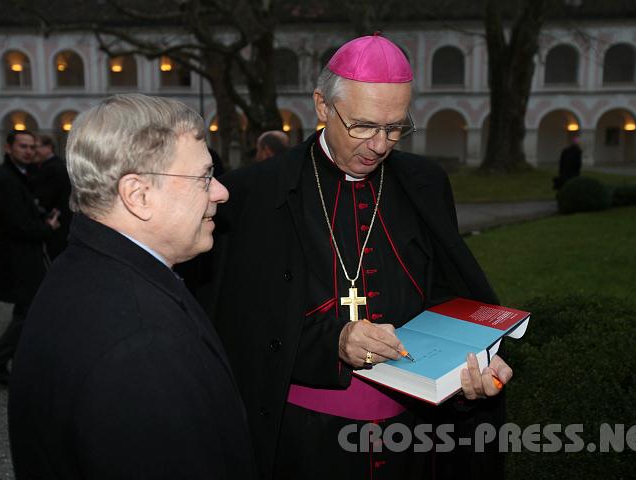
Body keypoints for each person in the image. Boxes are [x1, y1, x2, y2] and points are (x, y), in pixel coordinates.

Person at [205, 34, 512, 480]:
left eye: (395, 128)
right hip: (304, 441)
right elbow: (240, 322)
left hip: (414, 437)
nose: (380, 145)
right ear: (322, 106)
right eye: (364, 126)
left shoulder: (424, 183)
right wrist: (332, 343)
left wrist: (473, 364)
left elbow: (445, 296)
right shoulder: (256, 192)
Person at [8, 94, 256, 479]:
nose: (220, 192)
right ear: (138, 195)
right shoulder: (143, 344)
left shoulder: (83, 267)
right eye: (205, 177)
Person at [0, 131, 60, 386]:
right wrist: (47, 228)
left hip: (23, 256)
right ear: (8, 148)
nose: (28, 151)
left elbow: (24, 214)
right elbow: (19, 225)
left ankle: (19, 359)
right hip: (18, 259)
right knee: (28, 312)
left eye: (32, 147)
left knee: (27, 310)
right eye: (23, 146)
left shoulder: (18, 174)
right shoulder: (6, 180)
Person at [30, 134, 72, 259]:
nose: (33, 151)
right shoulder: (53, 164)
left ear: (48, 147)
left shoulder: (53, 167)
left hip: (57, 219)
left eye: (36, 147)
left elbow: (46, 196)